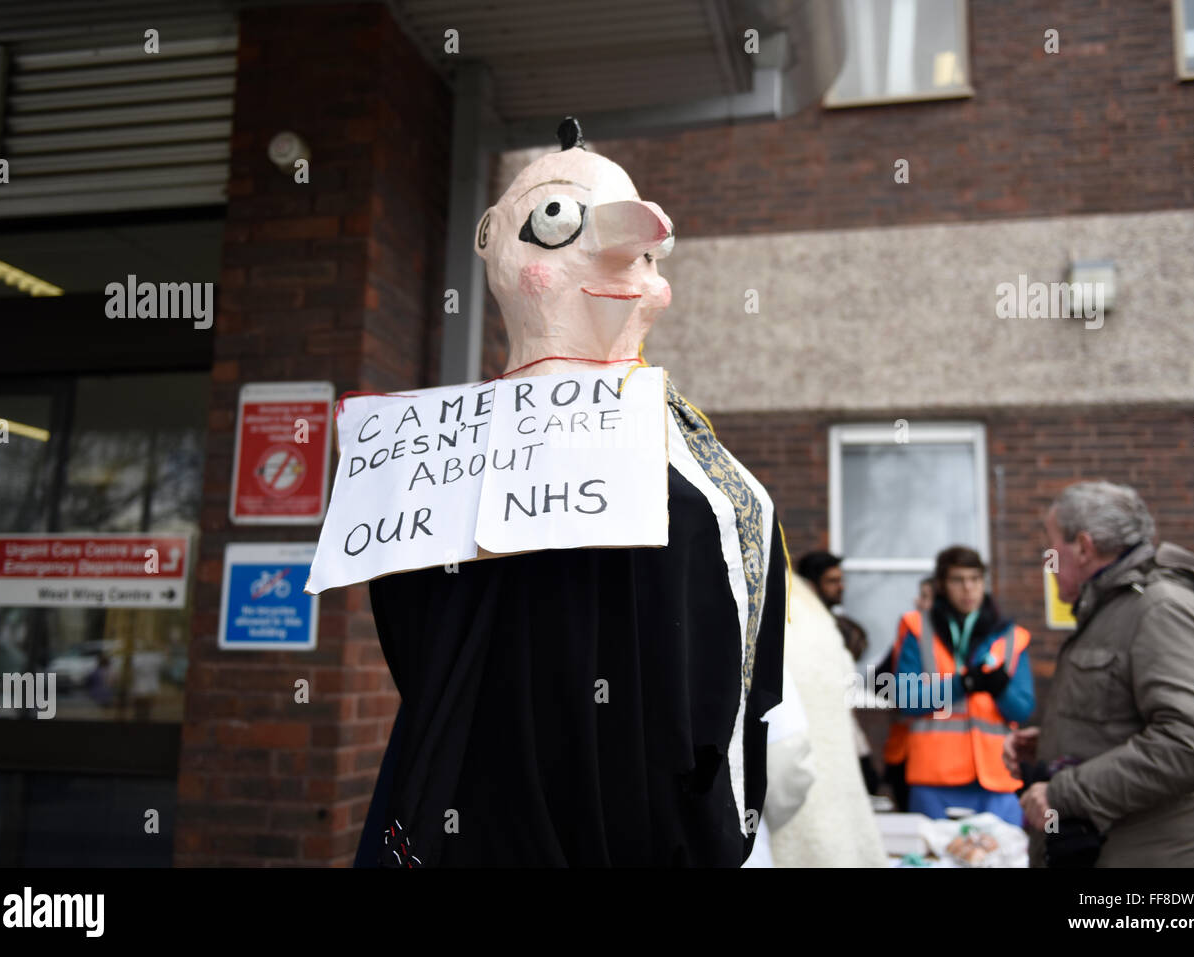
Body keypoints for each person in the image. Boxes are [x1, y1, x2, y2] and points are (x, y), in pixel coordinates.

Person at [354, 119, 788, 867]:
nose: (632, 259)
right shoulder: (423, 458)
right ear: (494, 242)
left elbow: (716, 711)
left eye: (648, 251)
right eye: (556, 220)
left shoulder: (708, 491)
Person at [1008, 481, 1194, 867]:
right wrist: (1053, 742)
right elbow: (1126, 719)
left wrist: (1066, 792)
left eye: (1051, 547)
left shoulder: (1163, 609)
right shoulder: (1116, 607)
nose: (1046, 559)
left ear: (1083, 547)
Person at [895, 546, 1034, 827]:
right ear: (942, 585)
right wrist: (963, 684)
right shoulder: (918, 629)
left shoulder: (1011, 637)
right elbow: (905, 699)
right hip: (934, 779)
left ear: (984, 582)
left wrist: (1000, 690)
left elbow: (1022, 711)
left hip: (997, 778)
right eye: (957, 580)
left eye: (975, 579)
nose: (967, 588)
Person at [763, 564, 886, 866]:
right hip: (837, 815)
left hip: (792, 813)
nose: (841, 587)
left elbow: (785, 760)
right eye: (832, 581)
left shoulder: (774, 603)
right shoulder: (811, 612)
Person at [879, 577, 934, 810]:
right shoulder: (912, 637)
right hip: (905, 751)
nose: (917, 601)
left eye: (925, 596)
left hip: (935, 755)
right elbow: (879, 683)